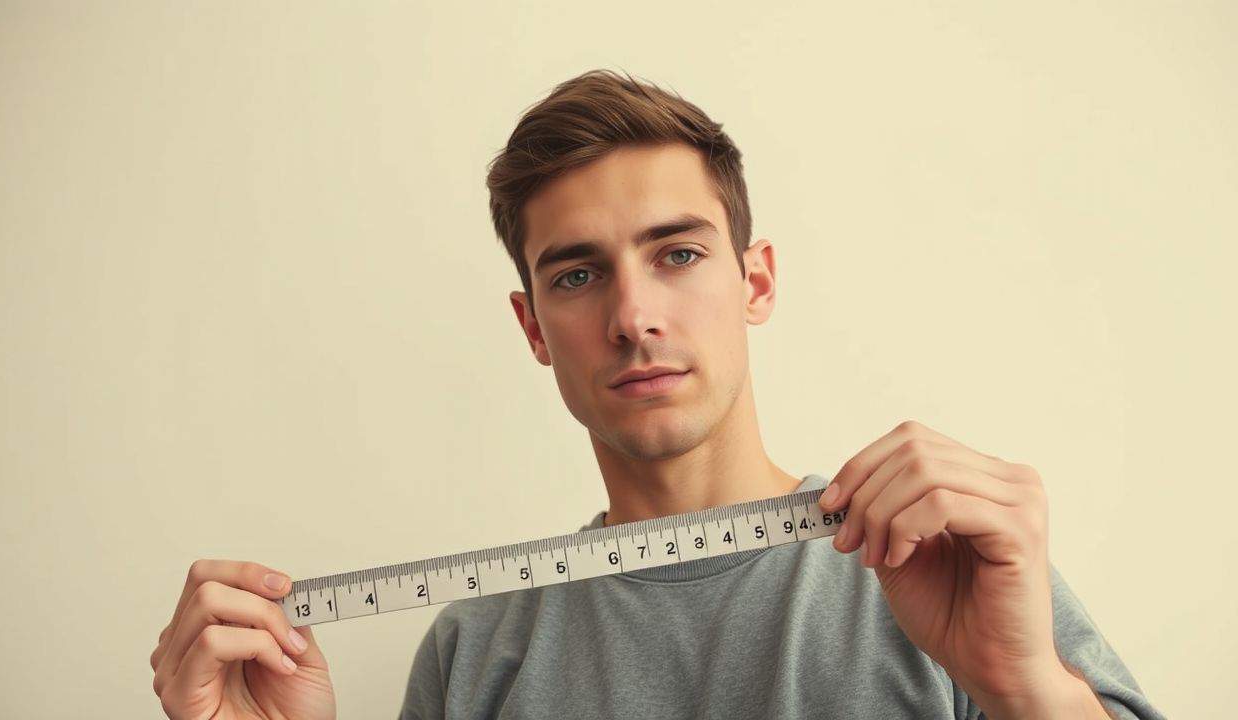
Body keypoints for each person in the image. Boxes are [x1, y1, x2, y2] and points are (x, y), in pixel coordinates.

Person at [150, 68, 1166, 719]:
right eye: (578, 274)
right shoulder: (473, 651)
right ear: (532, 327)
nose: (633, 316)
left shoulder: (935, 558)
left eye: (676, 253)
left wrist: (1024, 688)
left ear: (753, 281)